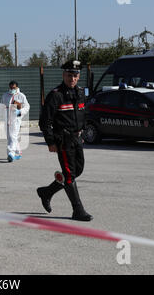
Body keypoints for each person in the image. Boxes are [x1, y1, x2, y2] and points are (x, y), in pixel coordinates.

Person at [37, 60, 93, 221]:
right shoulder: (56, 95)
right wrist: (50, 142)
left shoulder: (81, 92)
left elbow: (83, 114)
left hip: (77, 138)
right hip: (63, 140)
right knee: (69, 175)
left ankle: (47, 192)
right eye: (69, 75)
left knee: (78, 170)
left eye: (75, 76)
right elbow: (45, 122)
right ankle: (78, 210)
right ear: (63, 75)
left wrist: (83, 133)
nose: (72, 79)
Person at [0, 81, 30, 162]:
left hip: (16, 119)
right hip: (7, 118)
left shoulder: (21, 96)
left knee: (13, 135)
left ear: (17, 87)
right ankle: (18, 151)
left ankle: (11, 153)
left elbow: (27, 106)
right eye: (10, 88)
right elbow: (1, 106)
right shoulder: (5, 95)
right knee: (9, 136)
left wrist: (20, 111)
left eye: (13, 88)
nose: (12, 89)